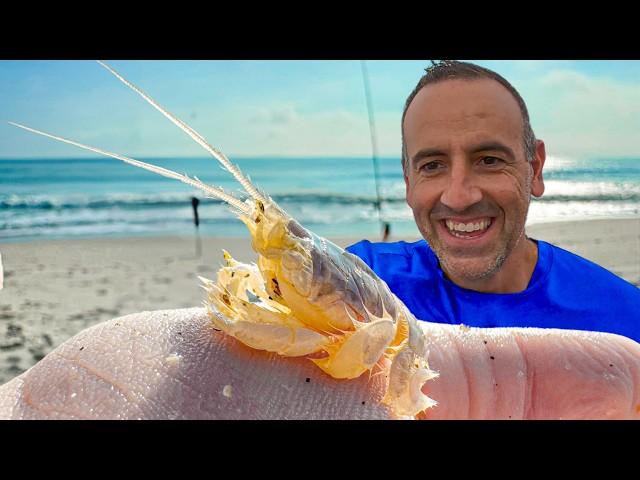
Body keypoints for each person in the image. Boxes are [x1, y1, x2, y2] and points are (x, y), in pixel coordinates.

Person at [347, 60, 640, 343]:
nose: (459, 197)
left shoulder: (623, 323)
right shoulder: (359, 288)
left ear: (534, 169)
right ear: (409, 182)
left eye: (489, 160)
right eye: (433, 166)